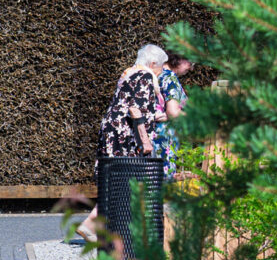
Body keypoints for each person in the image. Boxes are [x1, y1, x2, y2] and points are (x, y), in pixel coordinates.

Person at [77, 44, 166, 241]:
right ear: (153, 64)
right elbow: (136, 110)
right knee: (126, 178)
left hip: (112, 129)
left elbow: (127, 104)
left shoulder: (129, 73)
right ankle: (94, 225)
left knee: (115, 178)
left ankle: (97, 226)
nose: (162, 71)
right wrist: (145, 140)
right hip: (126, 134)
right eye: (161, 66)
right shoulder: (146, 76)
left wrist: (158, 116)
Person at [153, 56, 192, 184]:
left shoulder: (157, 74)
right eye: (190, 62)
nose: (191, 68)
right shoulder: (170, 78)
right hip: (164, 139)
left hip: (152, 135)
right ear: (179, 58)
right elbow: (173, 112)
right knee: (161, 183)